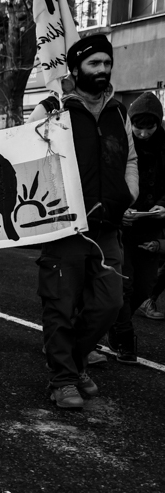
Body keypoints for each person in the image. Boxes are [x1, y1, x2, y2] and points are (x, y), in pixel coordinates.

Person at [27, 33, 138, 408]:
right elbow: (24, 157)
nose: (103, 69)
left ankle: (73, 366)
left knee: (109, 303)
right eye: (94, 63)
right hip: (66, 228)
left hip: (107, 228)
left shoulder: (119, 112)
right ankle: (63, 381)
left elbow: (130, 159)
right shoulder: (52, 109)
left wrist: (128, 195)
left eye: (107, 63)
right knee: (60, 305)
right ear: (75, 70)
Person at [106, 92, 165, 357]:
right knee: (125, 284)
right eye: (138, 128)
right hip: (122, 226)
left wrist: (163, 206)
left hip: (152, 226)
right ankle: (123, 336)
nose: (143, 133)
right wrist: (121, 209)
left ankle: (114, 324)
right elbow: (109, 180)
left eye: (149, 128)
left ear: (158, 124)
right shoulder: (119, 142)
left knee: (146, 286)